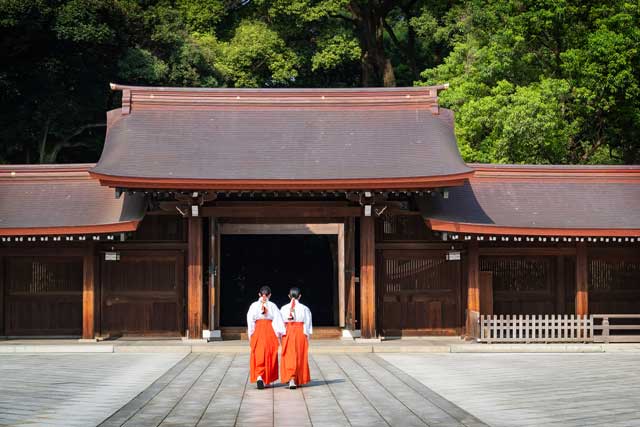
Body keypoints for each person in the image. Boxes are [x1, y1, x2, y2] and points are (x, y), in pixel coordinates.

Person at [247, 285, 286, 389]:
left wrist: (251, 335)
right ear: (270, 295)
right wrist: (279, 334)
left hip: (258, 329)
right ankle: (267, 378)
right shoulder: (273, 305)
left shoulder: (253, 305)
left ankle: (260, 376)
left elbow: (250, 321)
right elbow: (278, 320)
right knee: (270, 354)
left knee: (258, 354)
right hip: (270, 330)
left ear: (259, 294)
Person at [279, 287, 312, 389]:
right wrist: (307, 337)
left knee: (288, 355)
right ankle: (297, 378)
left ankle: (291, 378)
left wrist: (281, 336)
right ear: (300, 296)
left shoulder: (284, 308)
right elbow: (308, 324)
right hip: (300, 332)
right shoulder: (305, 308)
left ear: (289, 296)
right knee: (300, 355)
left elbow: (280, 324)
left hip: (287, 331)